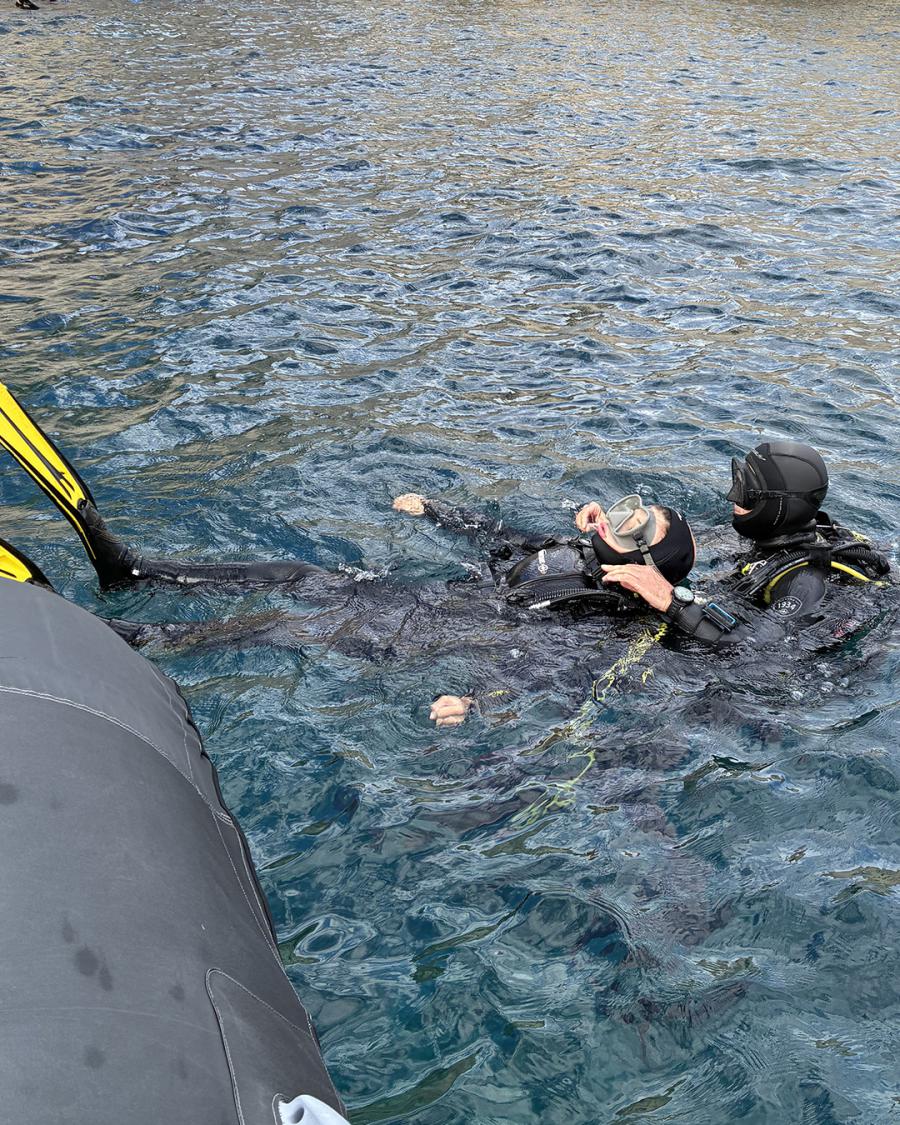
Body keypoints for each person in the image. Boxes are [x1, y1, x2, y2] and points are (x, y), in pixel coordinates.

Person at [391, 489, 696, 724]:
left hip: (451, 634)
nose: (617, 521)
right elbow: (499, 534)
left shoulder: (613, 616)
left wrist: (472, 702)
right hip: (447, 596)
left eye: (633, 527)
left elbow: (544, 669)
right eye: (634, 512)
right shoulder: (577, 547)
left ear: (642, 564)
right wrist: (433, 509)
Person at [590, 440, 893, 646]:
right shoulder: (769, 536)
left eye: (747, 492)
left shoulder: (804, 582)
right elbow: (674, 541)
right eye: (739, 481)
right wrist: (616, 531)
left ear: (778, 509)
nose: (733, 497)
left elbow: (759, 649)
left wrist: (673, 602)